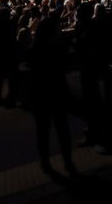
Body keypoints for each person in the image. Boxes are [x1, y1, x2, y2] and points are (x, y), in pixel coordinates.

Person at [27, 16, 77, 178]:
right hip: (58, 90)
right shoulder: (59, 48)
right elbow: (67, 66)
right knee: (62, 128)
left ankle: (45, 162)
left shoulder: (34, 49)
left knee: (42, 130)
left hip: (40, 92)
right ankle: (68, 161)